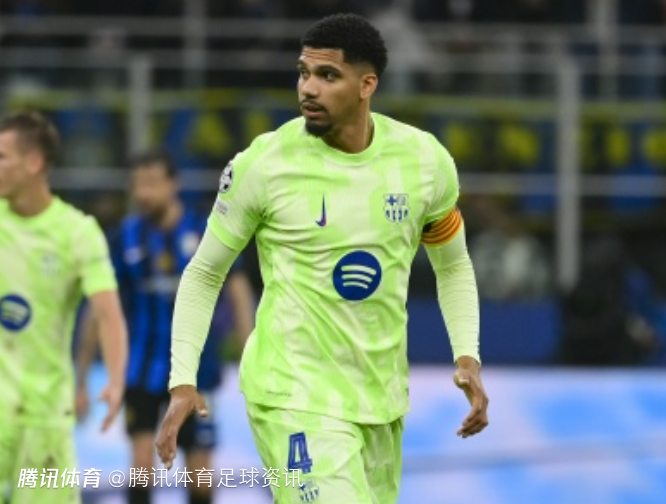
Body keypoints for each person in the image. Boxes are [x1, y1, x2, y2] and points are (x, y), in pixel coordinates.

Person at [155, 13, 488, 504]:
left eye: (328, 75)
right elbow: (205, 273)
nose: (308, 88)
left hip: (380, 400)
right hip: (293, 395)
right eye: (303, 72)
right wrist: (182, 379)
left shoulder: (424, 162)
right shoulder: (263, 165)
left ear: (367, 85)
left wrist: (467, 356)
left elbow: (453, 265)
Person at [78, 150, 256, 504]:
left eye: (152, 183)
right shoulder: (124, 237)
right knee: (141, 469)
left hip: (197, 371)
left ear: (173, 184)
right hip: (140, 369)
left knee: (200, 478)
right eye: (138, 185)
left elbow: (237, 288)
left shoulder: (205, 231)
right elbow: (101, 305)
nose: (144, 193)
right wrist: (82, 376)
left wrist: (248, 347)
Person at [0, 111, 128, 504]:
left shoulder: (77, 233)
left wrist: (115, 381)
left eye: (2, 156)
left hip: (45, 416)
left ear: (34, 162)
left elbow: (107, 314)